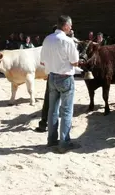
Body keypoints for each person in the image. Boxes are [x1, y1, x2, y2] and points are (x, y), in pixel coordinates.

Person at [40, 15, 80, 153]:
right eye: (70, 25)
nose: (71, 28)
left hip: (52, 76)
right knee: (67, 110)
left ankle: (51, 140)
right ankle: (64, 142)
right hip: (65, 77)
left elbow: (42, 61)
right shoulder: (68, 41)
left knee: (52, 110)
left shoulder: (47, 39)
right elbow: (75, 62)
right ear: (66, 26)